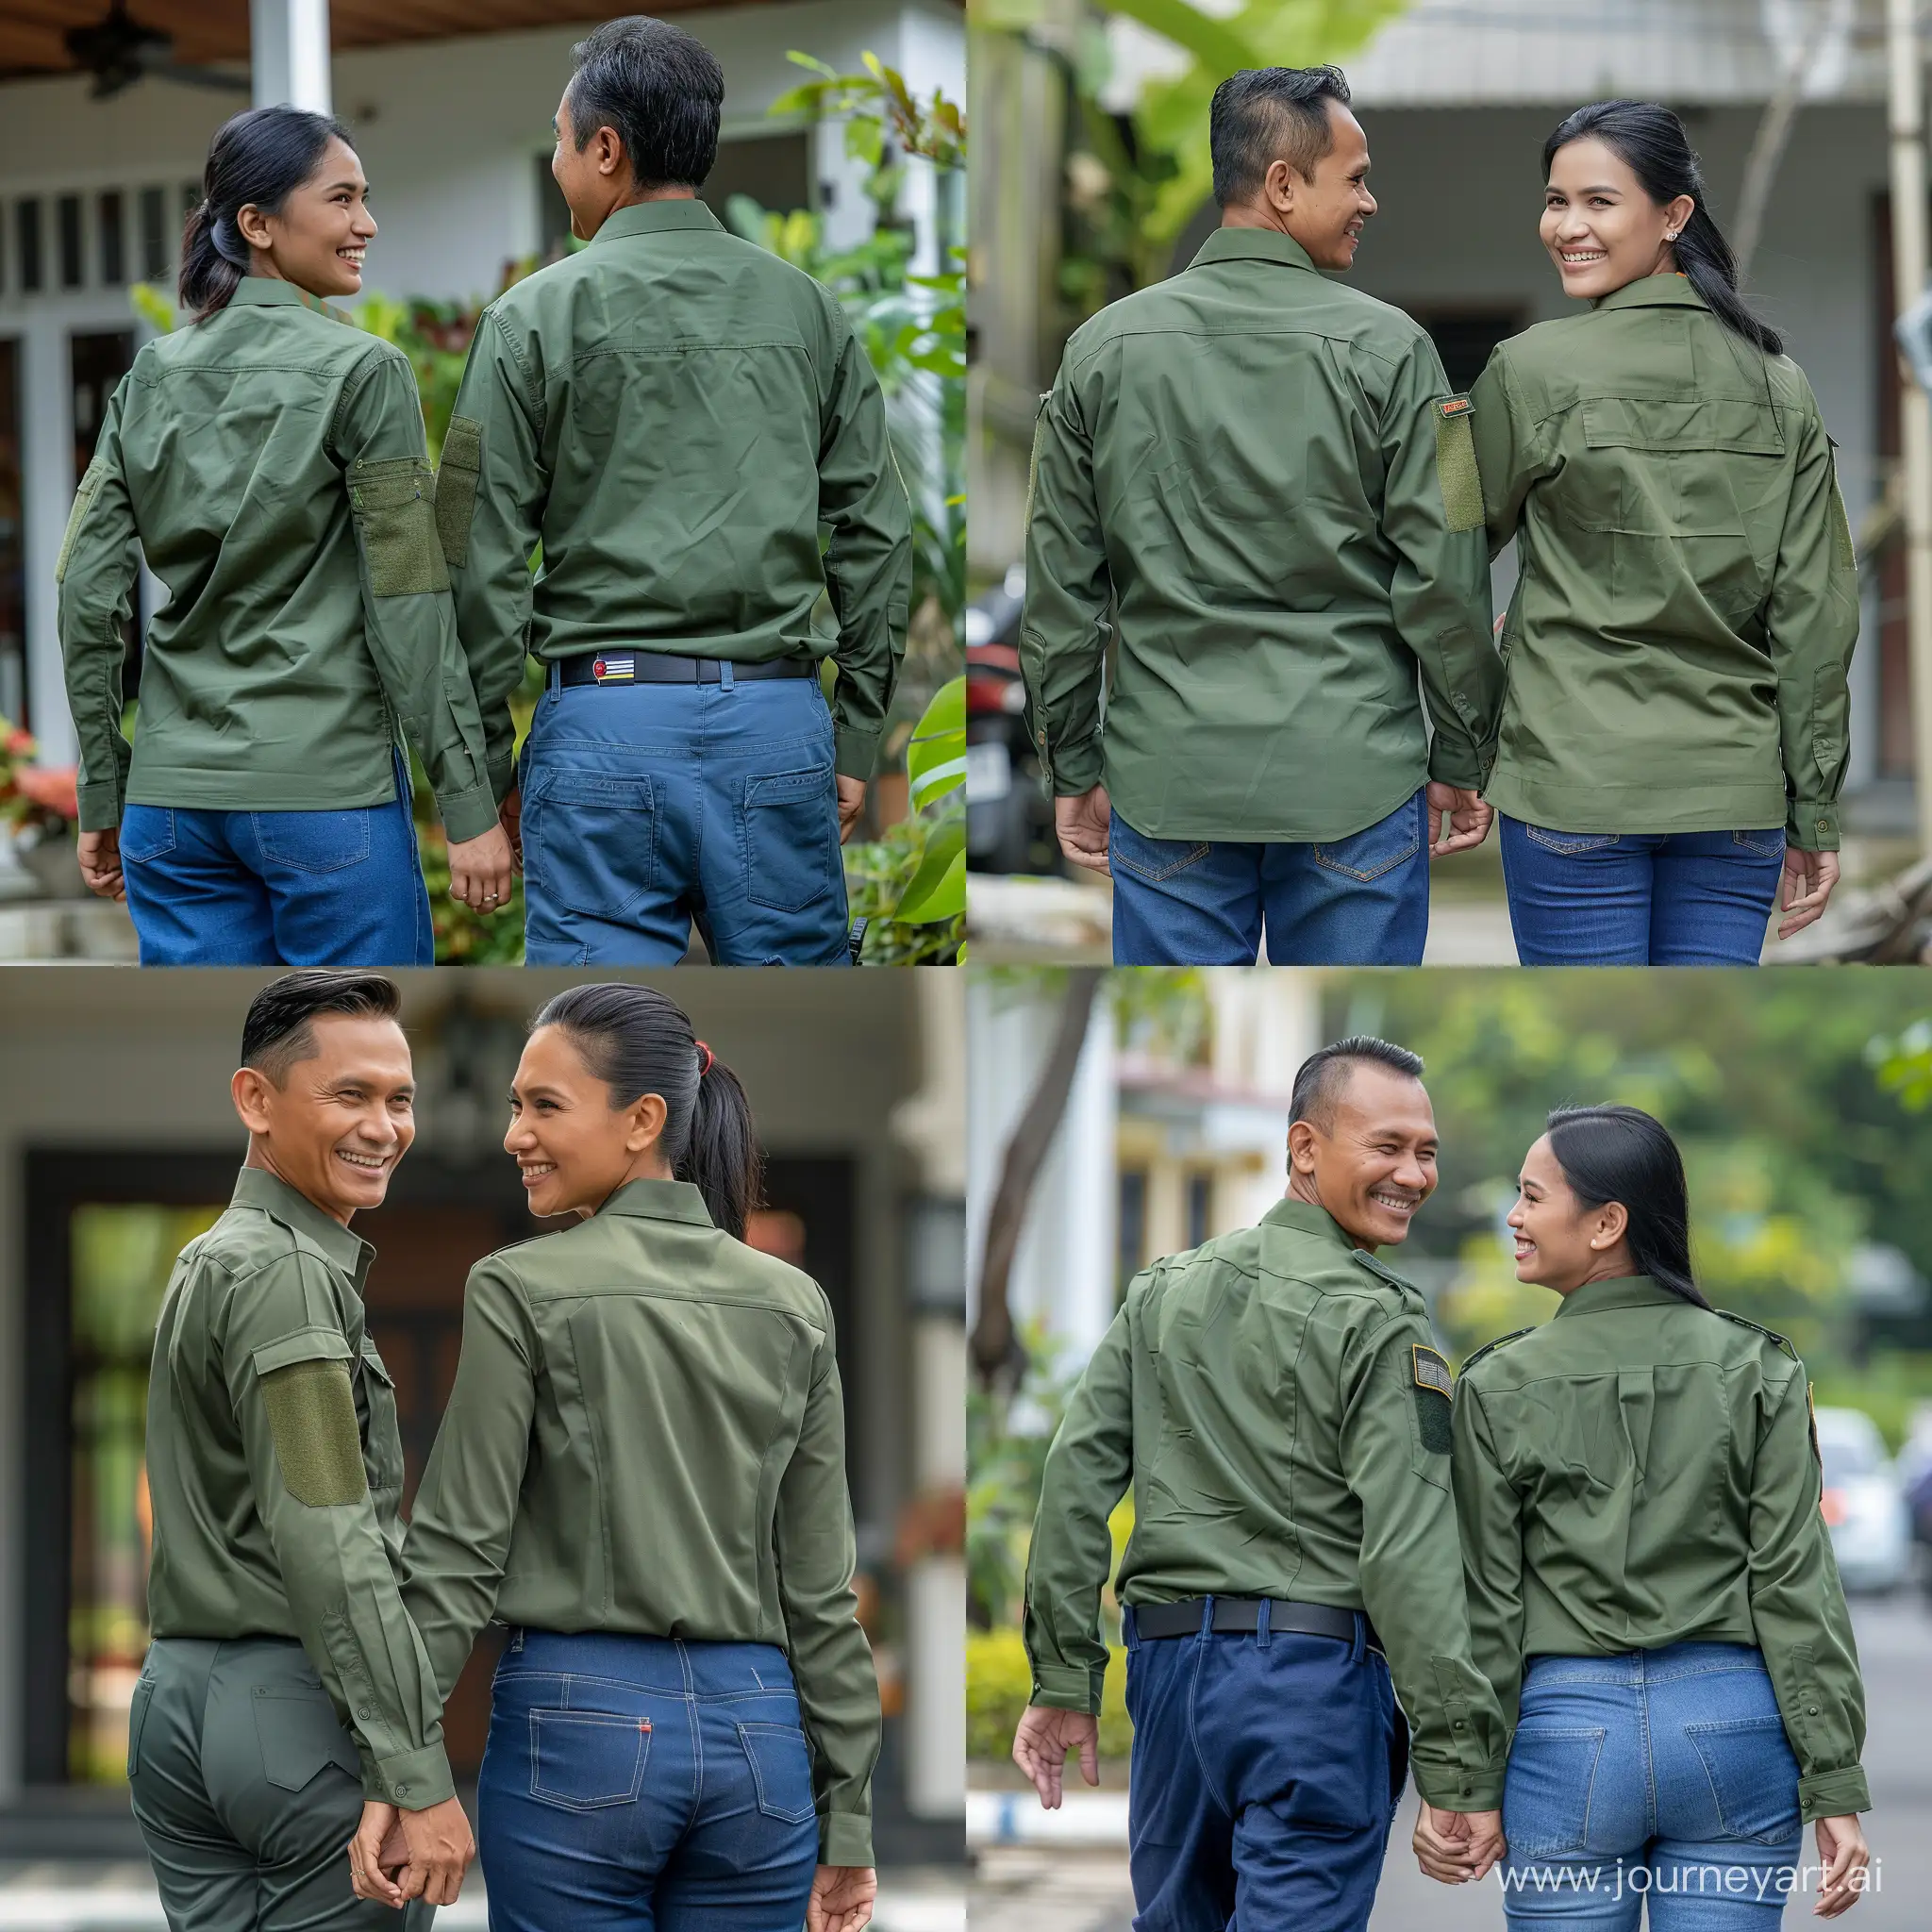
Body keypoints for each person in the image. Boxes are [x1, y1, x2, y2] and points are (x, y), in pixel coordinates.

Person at [350, 985, 879, 1931]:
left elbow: (455, 1555)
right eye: (514, 1104)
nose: (515, 1132)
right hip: (761, 1735)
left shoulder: (520, 1284)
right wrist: (850, 1816)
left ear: (642, 1120)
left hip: (579, 1726)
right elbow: (819, 1591)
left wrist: (405, 1763)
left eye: (543, 1104)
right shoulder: (793, 1303)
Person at [439, 17, 911, 966]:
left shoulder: (528, 317)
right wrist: (856, 734)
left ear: (606, 150)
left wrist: (479, 776)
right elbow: (878, 534)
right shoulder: (808, 310)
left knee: (597, 1040)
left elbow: (469, 559)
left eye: (563, 143)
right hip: (775, 729)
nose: (558, 167)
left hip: (604, 723)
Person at [1013, 1037, 1509, 1927]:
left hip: (1167, 1684)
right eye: (1386, 1146)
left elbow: (1074, 1482)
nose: (1414, 1174)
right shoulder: (1383, 1325)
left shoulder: (1164, 1290)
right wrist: (1457, 1765)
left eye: (1426, 1151)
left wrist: (1064, 1678)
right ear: (1304, 1148)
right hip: (1311, 1691)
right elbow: (1411, 1558)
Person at [1021, 65, 1504, 966]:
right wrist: (1464, 757)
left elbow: (1059, 597)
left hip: (1170, 780)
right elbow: (1453, 574)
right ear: (1283, 184)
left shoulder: (1100, 350)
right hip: (1354, 777)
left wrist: (1072, 766)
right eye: (1355, 177)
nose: (1371, 201)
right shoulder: (1399, 351)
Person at [57, 107, 514, 967]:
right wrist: (468, 803)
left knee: (222, 1073)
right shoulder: (362, 371)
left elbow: (87, 590)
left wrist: (102, 790)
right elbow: (408, 596)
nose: (366, 223)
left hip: (172, 811)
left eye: (366, 199)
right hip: (326, 800)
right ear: (256, 225)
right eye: (342, 200)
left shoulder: (151, 374)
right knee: (361, 1060)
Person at [1430, 1105, 1873, 1923]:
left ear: (1606, 1224)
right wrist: (1833, 1782)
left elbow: (1486, 1610)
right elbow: (1795, 1585)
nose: (1512, 1217)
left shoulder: (1496, 1386)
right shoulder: (1760, 1369)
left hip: (1567, 1747)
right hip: (1736, 1733)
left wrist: (1468, 1783)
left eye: (1530, 1197)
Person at [1469, 102, 1857, 967]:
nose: (1567, 227)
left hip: (1572, 778)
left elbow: (1443, 562)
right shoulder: (1780, 385)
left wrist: (1470, 739)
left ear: (1674, 215)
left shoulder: (1525, 369)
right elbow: (1818, 619)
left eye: (1599, 202)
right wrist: (1814, 809)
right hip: (1734, 794)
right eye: (1555, 201)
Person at [129, 972, 475, 1928]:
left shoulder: (213, 1255)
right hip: (287, 1710)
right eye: (350, 1094)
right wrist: (413, 1771)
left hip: (179, 1704)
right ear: (255, 1098)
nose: (384, 1127)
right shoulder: (285, 1275)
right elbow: (329, 1531)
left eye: (399, 1098)